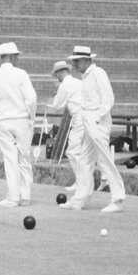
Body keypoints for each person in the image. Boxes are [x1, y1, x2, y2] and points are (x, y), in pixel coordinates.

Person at [67, 45, 126, 213]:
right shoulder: (86, 76)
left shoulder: (98, 73)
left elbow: (108, 98)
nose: (75, 65)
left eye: (77, 61)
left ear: (87, 60)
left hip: (96, 122)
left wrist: (98, 119)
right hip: (88, 121)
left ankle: (118, 199)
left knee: (104, 160)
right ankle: (79, 200)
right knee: (84, 161)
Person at [0, 42, 37, 206]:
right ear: (13, 57)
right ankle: (25, 196)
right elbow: (32, 99)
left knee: (10, 158)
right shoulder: (21, 74)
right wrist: (31, 117)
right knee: (24, 158)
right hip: (22, 120)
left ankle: (13, 197)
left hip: (4, 120)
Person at [47, 59, 84, 197]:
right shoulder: (79, 82)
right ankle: (84, 181)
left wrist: (53, 99)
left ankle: (82, 182)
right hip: (86, 118)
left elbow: (57, 106)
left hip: (79, 119)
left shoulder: (64, 85)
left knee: (72, 151)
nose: (57, 78)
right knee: (83, 151)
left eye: (57, 75)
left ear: (61, 72)